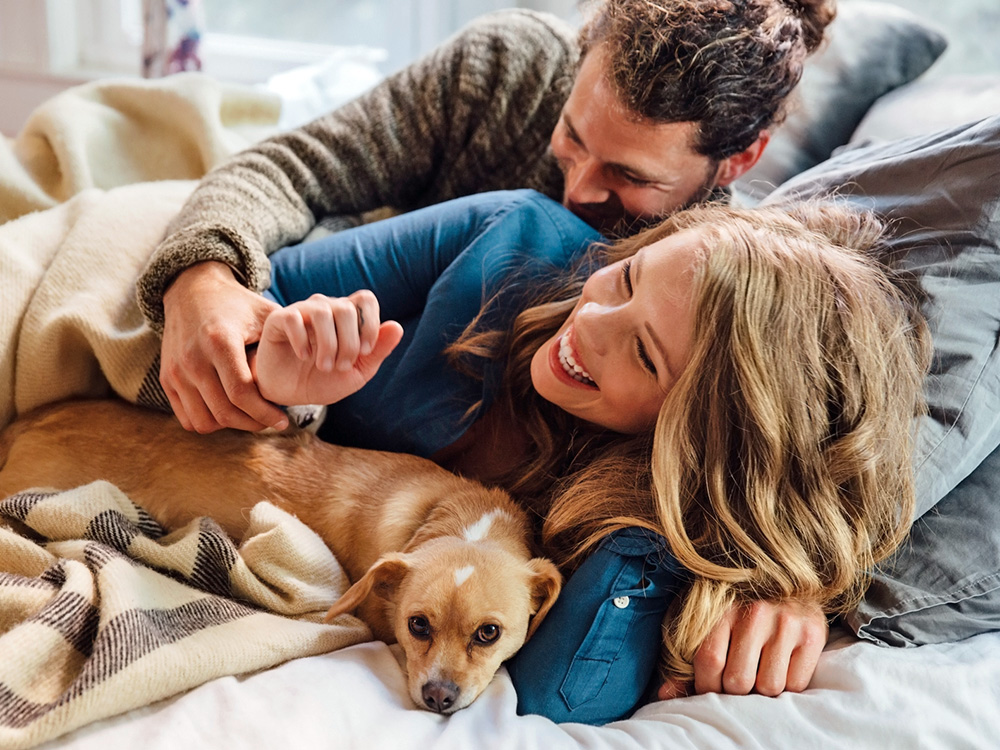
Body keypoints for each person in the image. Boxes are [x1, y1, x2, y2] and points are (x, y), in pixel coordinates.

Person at [136, 0, 842, 706]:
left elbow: (806, 462)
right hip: (335, 313)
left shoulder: (715, 304)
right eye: (571, 136)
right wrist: (203, 276)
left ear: (737, 159)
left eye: (632, 177)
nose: (578, 187)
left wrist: (796, 585)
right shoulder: (509, 76)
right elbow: (292, 169)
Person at [239, 189, 929, 722]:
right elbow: (258, 279)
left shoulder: (627, 520)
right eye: (627, 279)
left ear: (686, 433)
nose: (590, 321)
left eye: (644, 355)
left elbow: (560, 694)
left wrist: (787, 587)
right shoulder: (508, 238)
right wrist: (259, 369)